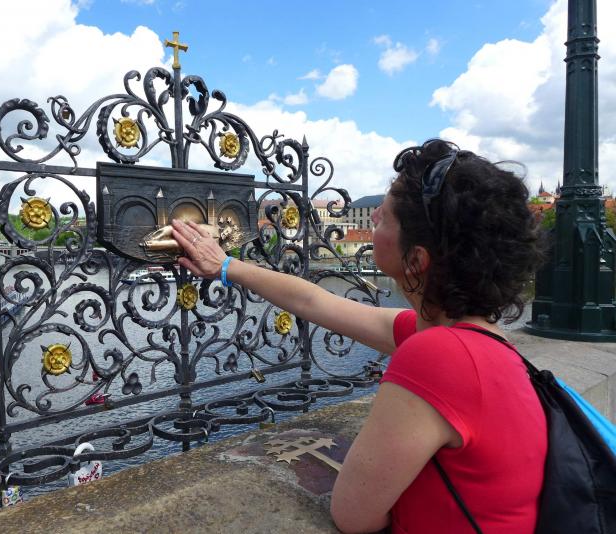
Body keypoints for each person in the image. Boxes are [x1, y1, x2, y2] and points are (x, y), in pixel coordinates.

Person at [171, 139, 547, 534]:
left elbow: (353, 514)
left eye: (386, 215)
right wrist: (226, 265)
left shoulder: (439, 355)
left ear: (416, 260)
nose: (376, 214)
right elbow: (314, 301)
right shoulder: (477, 339)